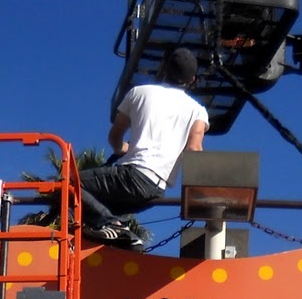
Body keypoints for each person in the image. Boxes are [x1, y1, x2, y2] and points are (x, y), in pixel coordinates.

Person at [78, 47, 209, 247]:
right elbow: (194, 150)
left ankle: (112, 224)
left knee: (68, 184)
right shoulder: (198, 111)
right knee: (91, 210)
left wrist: (123, 148)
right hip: (155, 189)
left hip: (133, 177)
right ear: (192, 80)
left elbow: (115, 136)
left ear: (164, 69)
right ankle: (126, 242)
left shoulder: (139, 92)